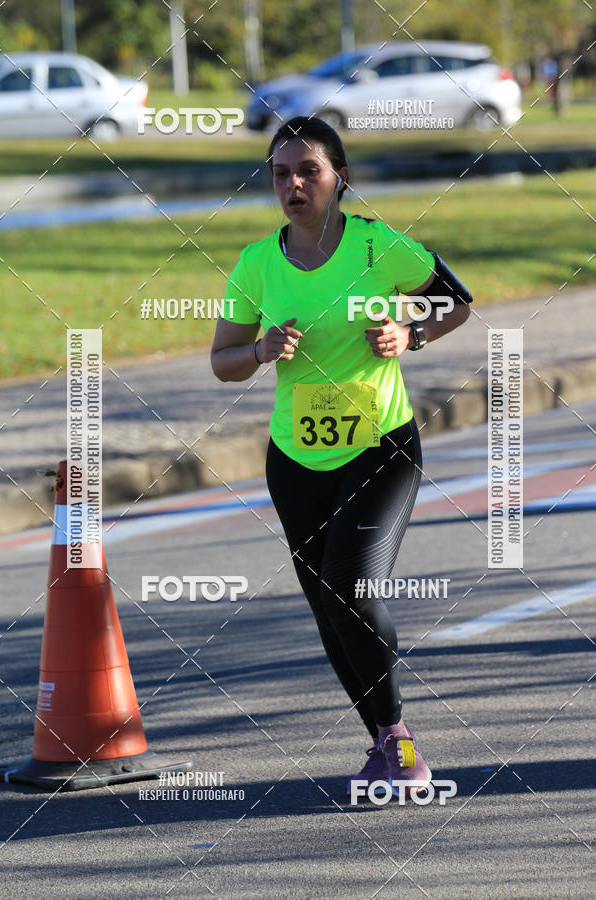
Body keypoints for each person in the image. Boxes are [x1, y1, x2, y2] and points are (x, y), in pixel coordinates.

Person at [211, 116, 472, 798]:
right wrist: (259, 350)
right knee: (329, 605)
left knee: (352, 587)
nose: (293, 185)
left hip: (380, 447)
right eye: (280, 174)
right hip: (295, 460)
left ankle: (401, 746)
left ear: (340, 178)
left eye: (309, 171)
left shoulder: (379, 246)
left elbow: (456, 303)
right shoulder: (256, 263)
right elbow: (223, 360)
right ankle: (388, 739)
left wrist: (409, 333)